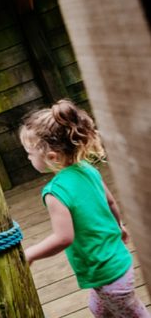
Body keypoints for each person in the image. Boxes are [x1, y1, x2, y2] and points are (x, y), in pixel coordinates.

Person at [20, 99, 149, 317]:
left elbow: (63, 238)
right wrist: (119, 226)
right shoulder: (88, 169)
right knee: (98, 309)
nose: (28, 157)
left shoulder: (55, 192)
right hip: (117, 261)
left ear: (51, 156)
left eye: (30, 153)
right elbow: (110, 203)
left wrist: (31, 253)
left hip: (107, 275)